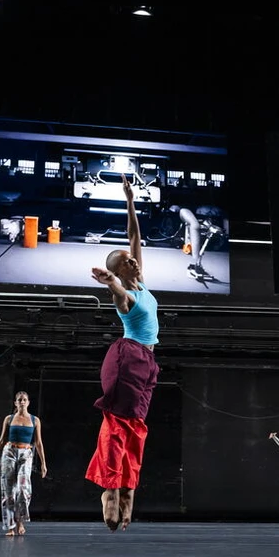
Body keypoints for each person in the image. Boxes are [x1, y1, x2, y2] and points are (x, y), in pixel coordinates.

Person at [85, 173, 160, 532]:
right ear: (120, 270)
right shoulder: (125, 294)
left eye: (133, 259)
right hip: (127, 356)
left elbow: (134, 236)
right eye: (128, 261)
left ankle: (127, 486)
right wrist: (109, 281)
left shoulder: (141, 282)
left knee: (136, 426)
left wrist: (130, 200)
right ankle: (111, 489)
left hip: (147, 363)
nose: (135, 260)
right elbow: (117, 290)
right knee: (116, 423)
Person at [0, 390, 48, 536]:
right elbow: (1, 440)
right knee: (8, 491)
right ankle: (10, 526)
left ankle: (20, 522)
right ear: (15, 402)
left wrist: (43, 463)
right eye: (19, 400)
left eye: (24, 400)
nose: (22, 402)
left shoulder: (35, 420)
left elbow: (38, 443)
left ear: (28, 402)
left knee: (22, 489)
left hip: (26, 453)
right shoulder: (9, 419)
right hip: (9, 452)